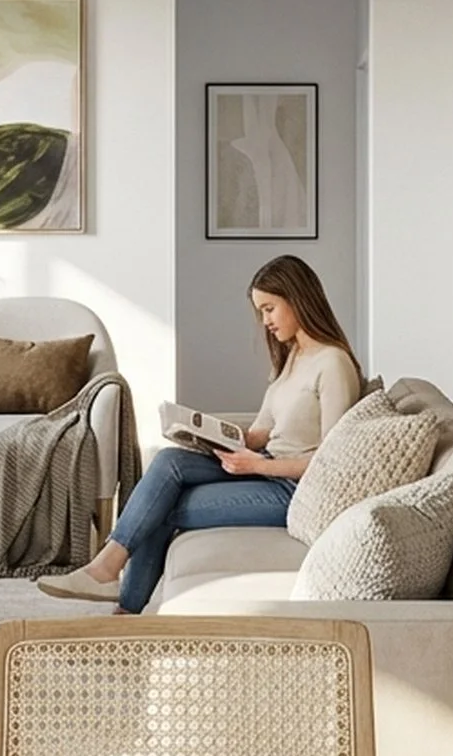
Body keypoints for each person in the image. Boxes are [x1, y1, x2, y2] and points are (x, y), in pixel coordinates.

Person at [38, 254, 361, 611]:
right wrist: (207, 433)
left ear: (297, 298)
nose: (265, 321)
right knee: (169, 462)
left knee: (161, 507)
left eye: (270, 308)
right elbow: (260, 433)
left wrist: (257, 466)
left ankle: (120, 604)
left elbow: (333, 461)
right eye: (261, 312)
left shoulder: (332, 363)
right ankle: (109, 576)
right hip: (266, 465)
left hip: (294, 491)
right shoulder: (292, 357)